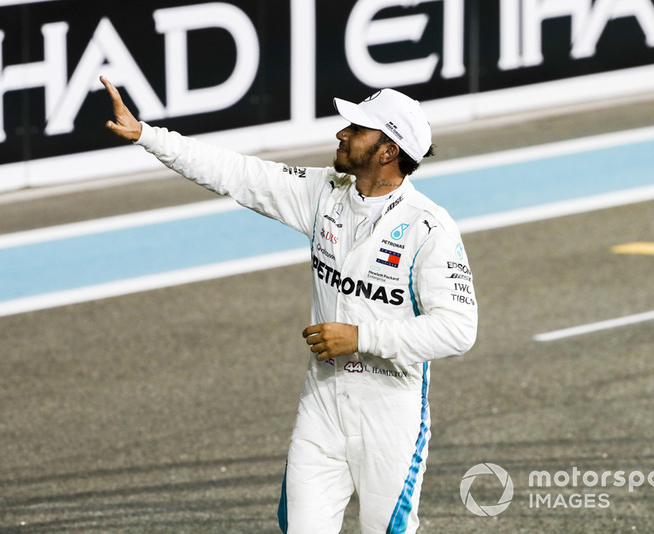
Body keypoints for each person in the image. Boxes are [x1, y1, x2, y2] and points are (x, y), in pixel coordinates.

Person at [101, 75, 478, 533]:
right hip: (322, 400)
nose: (341, 133)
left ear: (387, 151)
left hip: (390, 412)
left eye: (357, 129)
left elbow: (459, 329)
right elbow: (237, 174)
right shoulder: (324, 192)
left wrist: (361, 337)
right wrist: (147, 136)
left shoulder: (430, 229)